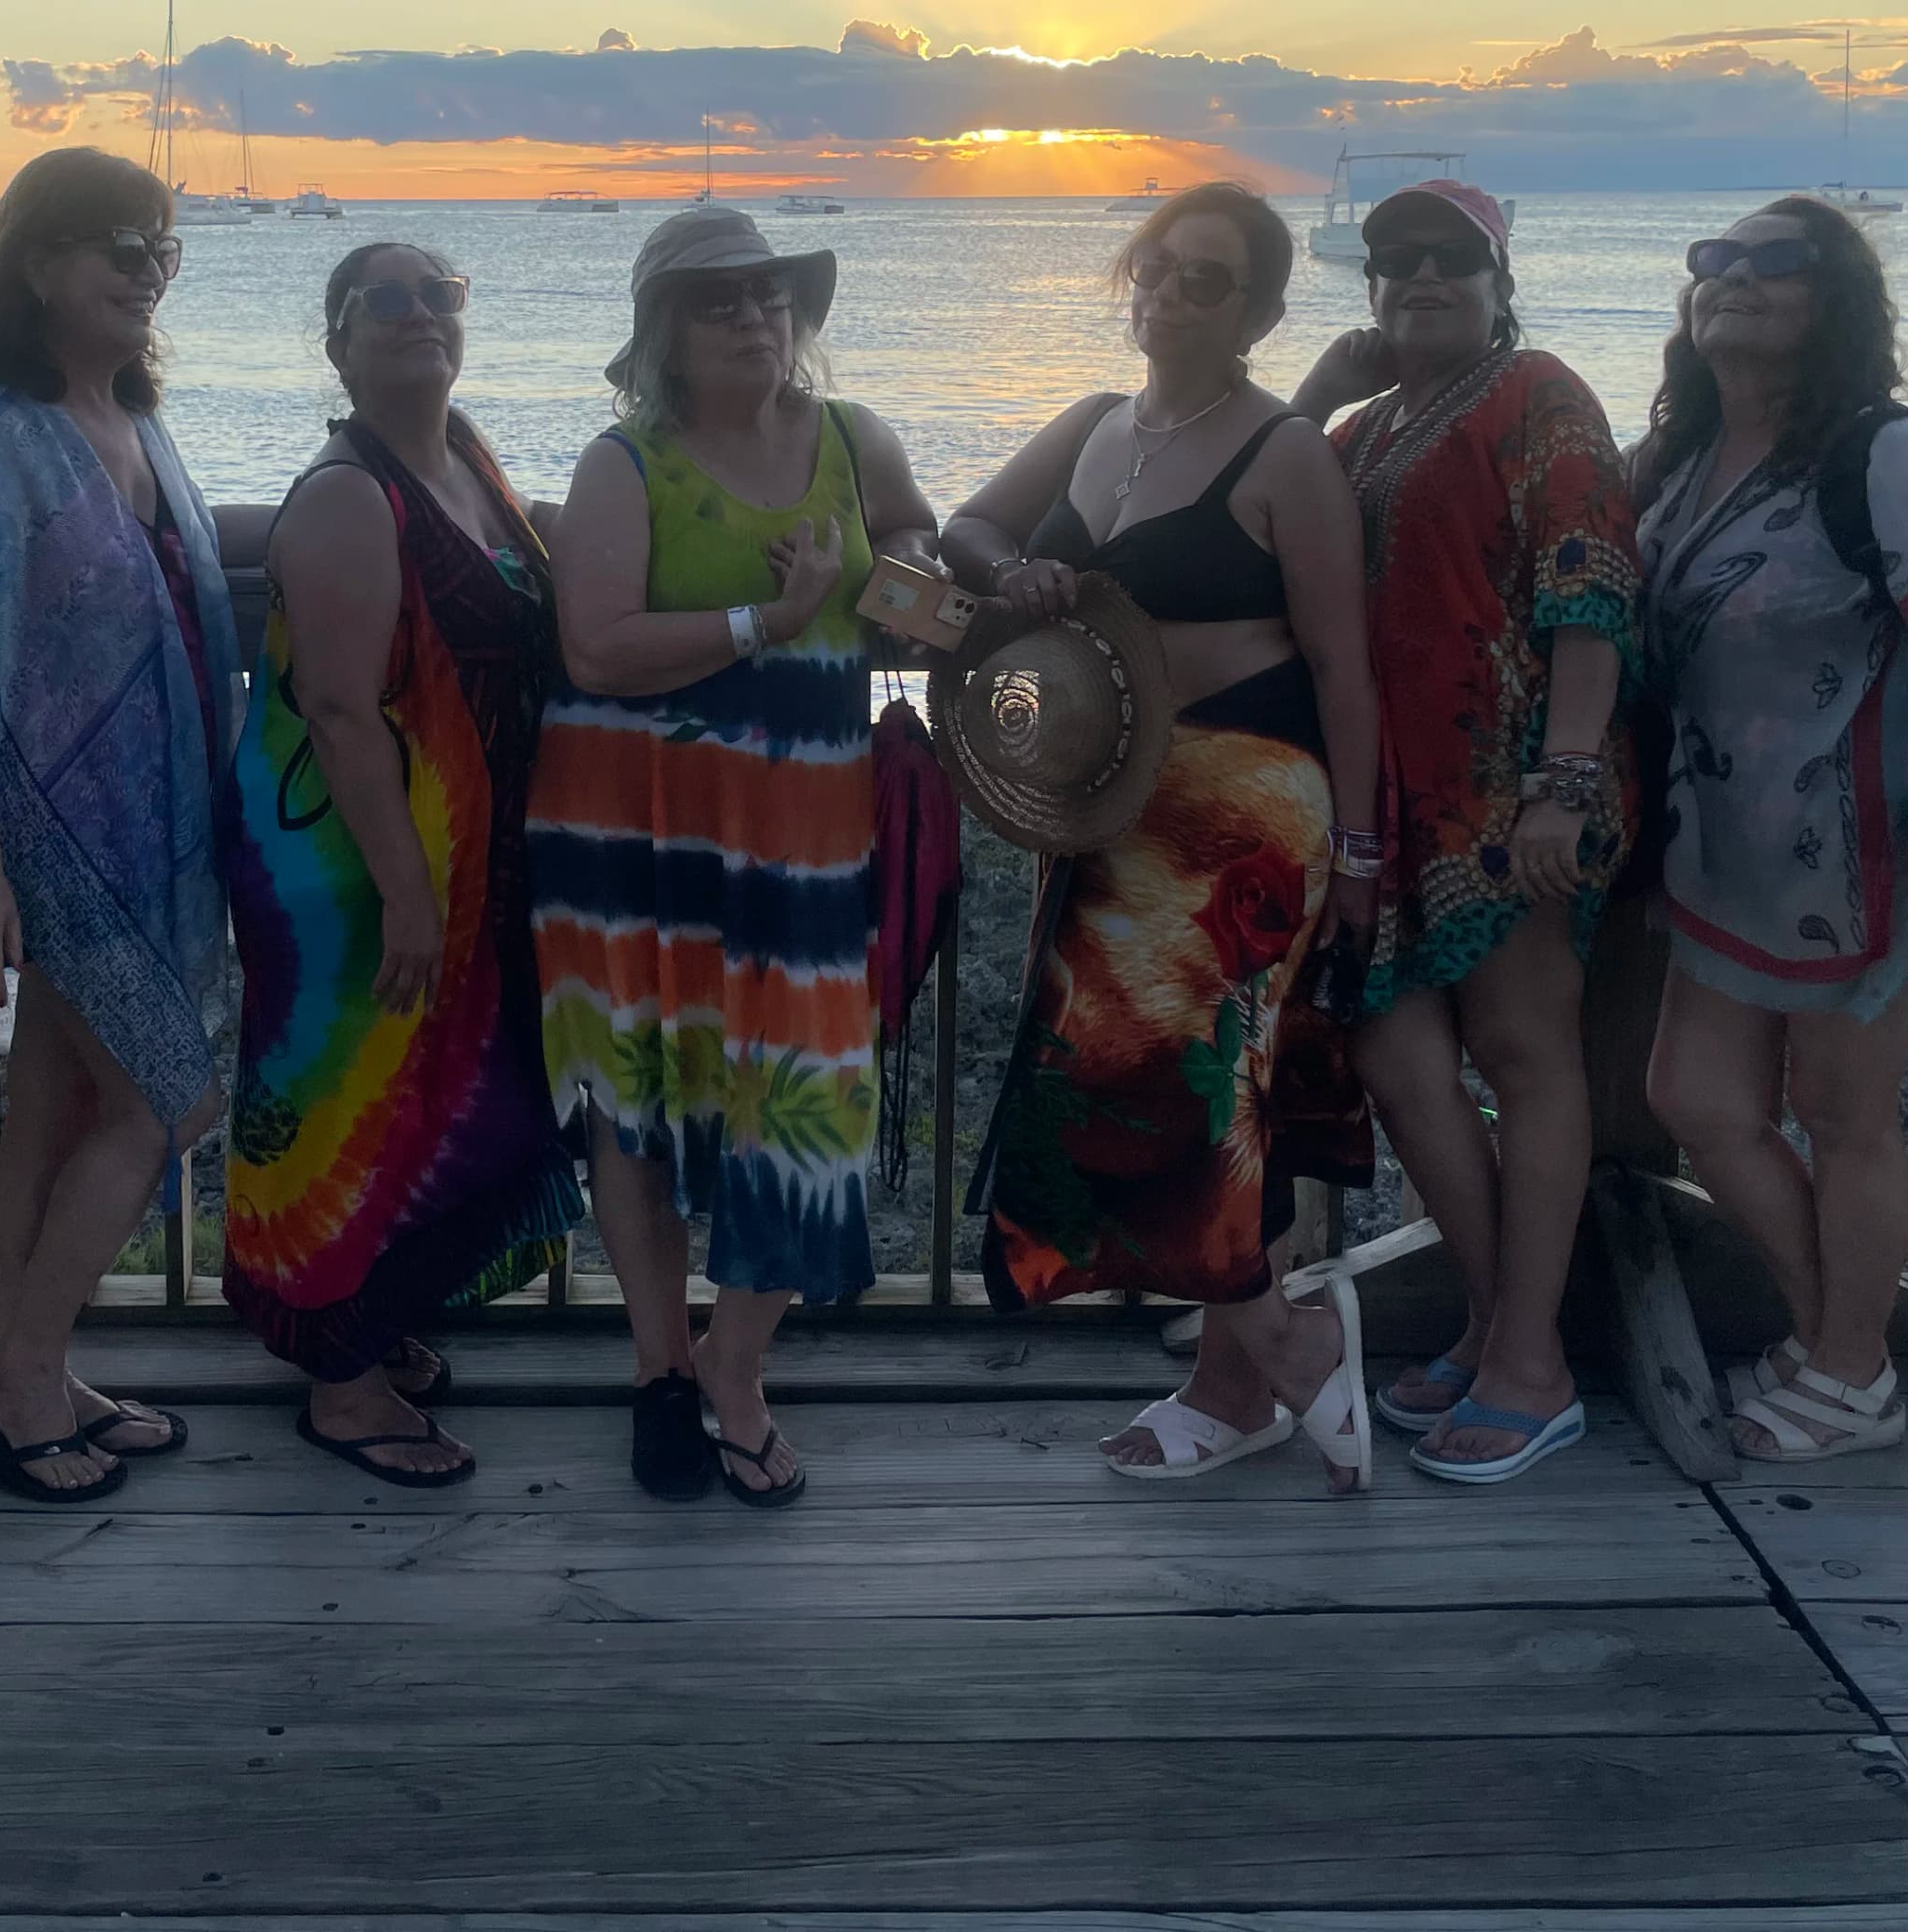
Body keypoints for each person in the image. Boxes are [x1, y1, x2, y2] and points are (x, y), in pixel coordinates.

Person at [945, 182, 1384, 1488]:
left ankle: (1285, 1348)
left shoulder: (1286, 454)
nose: (1172, 296)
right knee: (1167, 1107)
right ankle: (1239, 1383)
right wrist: (1009, 571)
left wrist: (1360, 855)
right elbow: (970, 524)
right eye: (1158, 268)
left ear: (1257, 312)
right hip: (1110, 805)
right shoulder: (1092, 426)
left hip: (1245, 813)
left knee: (1187, 1108)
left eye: (1209, 280)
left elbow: (1345, 667)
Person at [1637, 200, 1908, 1465]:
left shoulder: (1882, 452)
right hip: (1723, 850)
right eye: (1710, 258)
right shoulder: (1683, 458)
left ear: (1835, 301)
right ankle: (1844, 1341)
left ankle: (1844, 1369)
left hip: (1870, 844)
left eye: (1774, 262)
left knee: (1843, 1115)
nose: (1731, 277)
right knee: (1698, 1098)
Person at [528, 207, 939, 1505]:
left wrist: (925, 580)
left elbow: (915, 543)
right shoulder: (624, 463)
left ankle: (731, 1364)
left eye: (769, 297)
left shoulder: (853, 437)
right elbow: (595, 649)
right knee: (637, 1099)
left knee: (809, 1103)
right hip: (632, 831)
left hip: (806, 838)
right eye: (720, 303)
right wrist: (775, 612)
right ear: (665, 335)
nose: (755, 319)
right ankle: (659, 1369)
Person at [0, 147, 239, 1502]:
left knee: (61, 1098)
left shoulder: (138, 420)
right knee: (165, 1099)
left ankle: (38, 1356)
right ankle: (22, 1372)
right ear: (35, 267)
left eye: (159, 251)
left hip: (155, 827)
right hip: (39, 826)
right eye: (114, 249)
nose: (145, 272)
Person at [1287, 178, 1640, 1484]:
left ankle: (1531, 1365)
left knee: (1522, 1051)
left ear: (1500, 281)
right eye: (1395, 264)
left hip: (1514, 791)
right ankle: (1503, 1324)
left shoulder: (1539, 392)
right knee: (1398, 1056)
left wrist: (1565, 779)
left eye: (1452, 261)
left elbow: (1588, 584)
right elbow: (1244, 508)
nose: (1422, 280)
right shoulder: (1362, 425)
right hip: (1386, 802)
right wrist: (1324, 374)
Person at [220, 243, 585, 1485]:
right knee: (356, 1107)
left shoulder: (466, 460)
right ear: (337, 341)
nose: (421, 315)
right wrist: (410, 895)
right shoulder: (345, 495)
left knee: (437, 1098)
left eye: (443, 295)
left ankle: (366, 1329)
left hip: (459, 862)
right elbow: (335, 707)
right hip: (363, 870)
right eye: (387, 301)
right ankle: (342, 1381)